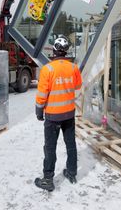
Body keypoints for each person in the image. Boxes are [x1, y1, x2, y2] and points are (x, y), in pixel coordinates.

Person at [34, 36, 82, 191]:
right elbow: (77, 85)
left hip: (53, 116)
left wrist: (39, 110)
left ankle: (48, 179)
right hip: (69, 114)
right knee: (71, 144)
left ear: (54, 50)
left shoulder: (48, 69)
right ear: (66, 50)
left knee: (50, 147)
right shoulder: (73, 68)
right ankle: (72, 172)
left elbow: (42, 94)